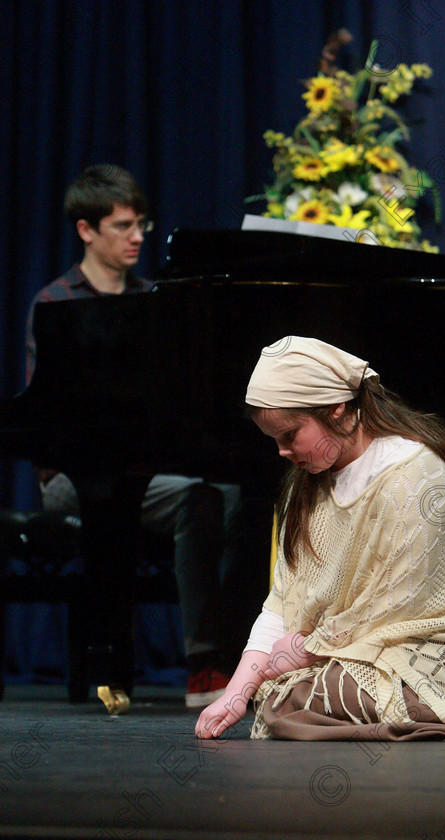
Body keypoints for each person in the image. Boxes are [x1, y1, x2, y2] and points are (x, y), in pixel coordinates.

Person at [195, 335, 445, 740]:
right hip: (375, 639)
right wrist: (235, 693)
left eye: (289, 435)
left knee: (310, 694)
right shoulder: (307, 483)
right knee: (285, 695)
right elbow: (283, 598)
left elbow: (395, 602)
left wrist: (302, 650)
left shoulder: (413, 475)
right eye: (275, 441)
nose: (282, 452)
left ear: (336, 409)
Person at [25, 164, 240, 707]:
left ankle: (234, 660)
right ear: (86, 231)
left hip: (148, 470)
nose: (138, 236)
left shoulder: (156, 300)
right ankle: (201, 663)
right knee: (192, 498)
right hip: (74, 475)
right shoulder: (56, 302)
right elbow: (52, 414)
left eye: (141, 223)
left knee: (231, 498)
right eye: (123, 225)